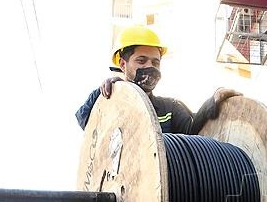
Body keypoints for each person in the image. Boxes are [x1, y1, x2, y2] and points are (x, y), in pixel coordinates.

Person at [76, 25, 240, 134]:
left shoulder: (170, 108)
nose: (150, 67)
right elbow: (84, 121)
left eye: (155, 62)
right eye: (141, 61)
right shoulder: (107, 98)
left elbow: (191, 132)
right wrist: (112, 94)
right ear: (123, 64)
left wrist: (213, 101)